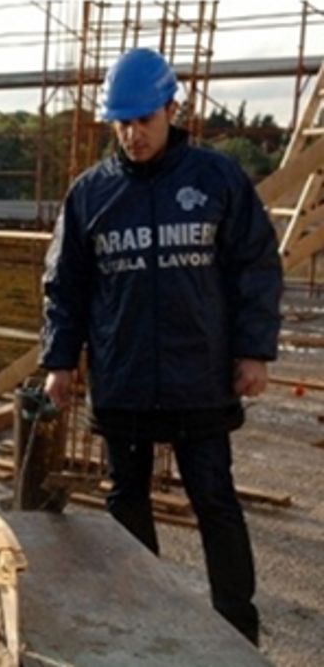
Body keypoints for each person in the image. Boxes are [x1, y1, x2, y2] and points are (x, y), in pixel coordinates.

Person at [40, 47, 282, 646]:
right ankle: (143, 624)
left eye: (144, 119)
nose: (133, 134)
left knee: (214, 500)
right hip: (123, 379)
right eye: (121, 122)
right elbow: (65, 286)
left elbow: (254, 266)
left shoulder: (216, 180)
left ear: (173, 109)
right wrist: (59, 361)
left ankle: (237, 633)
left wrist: (253, 351)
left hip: (199, 377)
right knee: (127, 503)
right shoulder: (90, 196)